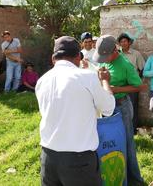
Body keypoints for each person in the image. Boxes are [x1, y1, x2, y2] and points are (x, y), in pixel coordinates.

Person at [36, 36, 115, 186]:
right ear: (78, 57)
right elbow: (108, 109)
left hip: (48, 158)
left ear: (54, 59)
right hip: (78, 161)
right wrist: (105, 81)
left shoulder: (42, 81)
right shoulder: (87, 77)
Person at [93, 35, 146, 185]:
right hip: (108, 106)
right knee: (113, 142)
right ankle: (118, 176)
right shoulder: (108, 62)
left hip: (121, 107)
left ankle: (135, 180)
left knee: (127, 142)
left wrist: (117, 89)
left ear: (114, 51)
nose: (103, 60)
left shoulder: (125, 65)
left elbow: (140, 86)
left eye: (105, 56)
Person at [118, 32, 145, 133]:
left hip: (132, 85)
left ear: (129, 43)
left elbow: (142, 68)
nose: (123, 43)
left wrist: (136, 80)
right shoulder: (118, 54)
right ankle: (123, 129)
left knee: (133, 106)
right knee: (121, 106)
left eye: (125, 41)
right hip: (120, 85)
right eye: (121, 42)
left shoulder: (136, 54)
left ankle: (133, 129)